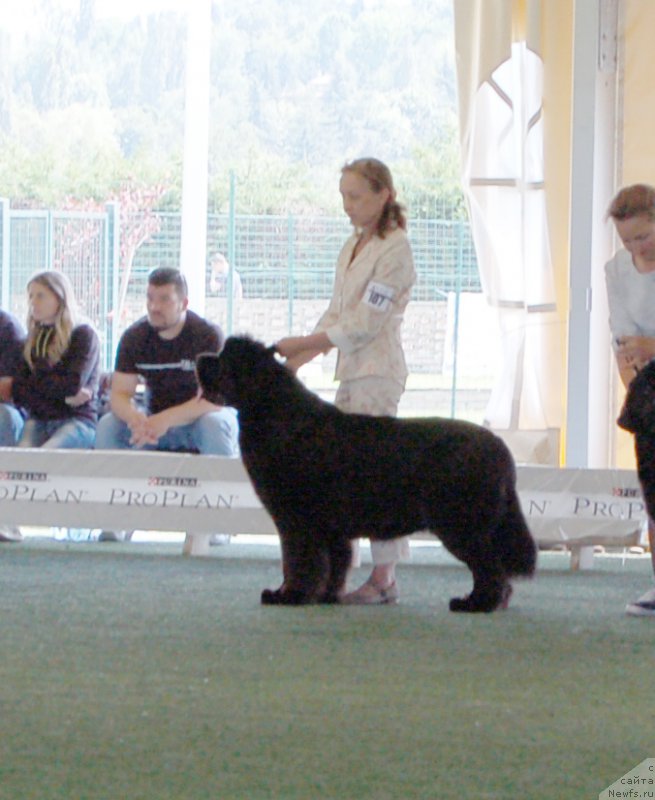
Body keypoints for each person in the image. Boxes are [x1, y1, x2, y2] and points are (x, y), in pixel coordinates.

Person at [275, 157, 416, 605]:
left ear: (383, 194)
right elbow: (337, 315)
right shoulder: (352, 246)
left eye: (355, 196)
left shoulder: (396, 249)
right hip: (352, 374)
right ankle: (345, 570)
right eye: (343, 197)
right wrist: (299, 358)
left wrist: (304, 341)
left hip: (378, 373)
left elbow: (365, 323)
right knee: (349, 476)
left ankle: (384, 577)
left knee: (376, 477)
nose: (347, 206)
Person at [95, 267, 239, 540]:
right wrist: (135, 419)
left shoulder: (207, 335)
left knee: (215, 424)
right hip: (152, 423)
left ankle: (219, 522)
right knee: (108, 426)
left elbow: (213, 399)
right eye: (150, 298)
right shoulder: (134, 337)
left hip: (197, 419)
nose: (154, 307)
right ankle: (114, 518)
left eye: (164, 300)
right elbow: (120, 394)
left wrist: (165, 420)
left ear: (184, 303)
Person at [606, 183, 655, 616]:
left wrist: (649, 347)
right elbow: (623, 339)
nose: (637, 247)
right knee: (653, 487)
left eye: (643, 236)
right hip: (647, 386)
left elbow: (643, 342)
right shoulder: (617, 270)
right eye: (628, 240)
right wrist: (636, 389)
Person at [11, 271, 99, 450]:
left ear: (59, 297)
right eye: (31, 296)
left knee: (48, 456)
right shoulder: (30, 341)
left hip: (76, 419)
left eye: (40, 296)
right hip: (39, 419)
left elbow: (71, 384)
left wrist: (36, 385)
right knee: (21, 459)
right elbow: (19, 391)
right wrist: (60, 392)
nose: (33, 302)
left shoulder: (82, 335)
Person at [0, 309, 27, 542]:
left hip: (6, 409)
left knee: (4, 418)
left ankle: (6, 517)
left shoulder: (7, 327)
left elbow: (7, 388)